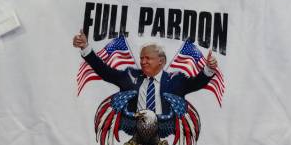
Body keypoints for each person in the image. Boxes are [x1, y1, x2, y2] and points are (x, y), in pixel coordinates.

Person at [72, 32, 218, 115]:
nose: (143, 62)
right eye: (141, 58)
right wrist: (86, 48)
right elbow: (104, 71)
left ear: (161, 61)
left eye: (148, 58)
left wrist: (209, 69)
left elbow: (195, 83)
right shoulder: (130, 75)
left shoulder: (175, 80)